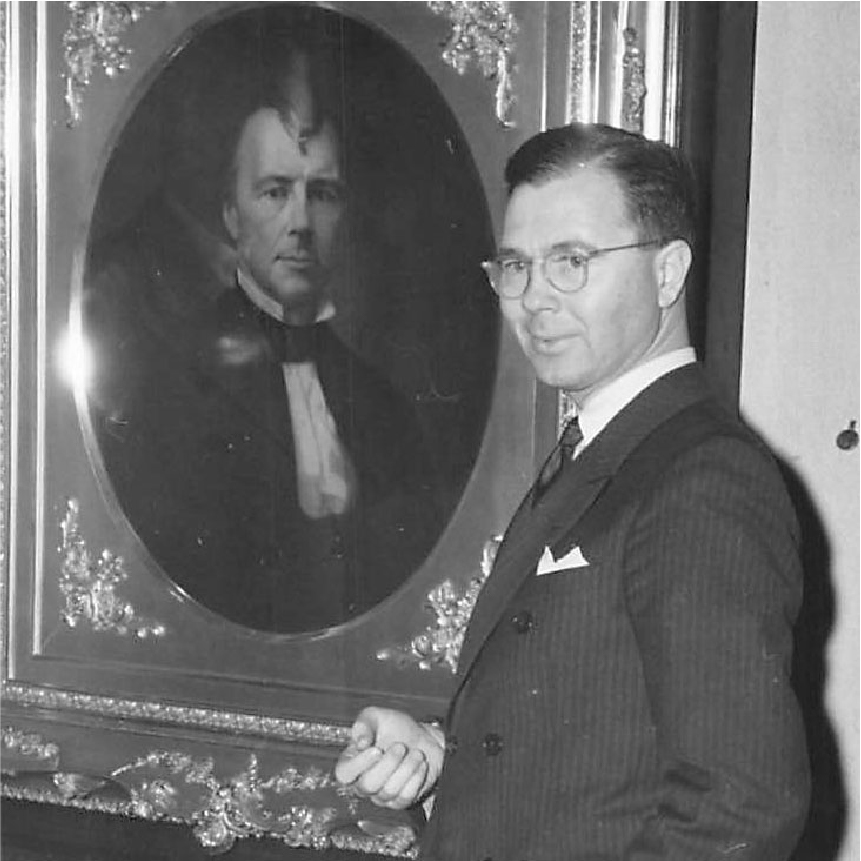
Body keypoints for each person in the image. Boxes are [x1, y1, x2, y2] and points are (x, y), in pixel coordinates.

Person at [335, 123, 810, 859]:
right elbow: (593, 753)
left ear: (666, 271)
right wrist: (440, 761)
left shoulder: (702, 473)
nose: (534, 299)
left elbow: (741, 808)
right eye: (516, 266)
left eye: (572, 261)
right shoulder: (603, 443)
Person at [83, 24, 441, 633]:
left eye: (322, 194)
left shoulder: (383, 405)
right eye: (274, 192)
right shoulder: (167, 390)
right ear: (231, 215)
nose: (301, 222)